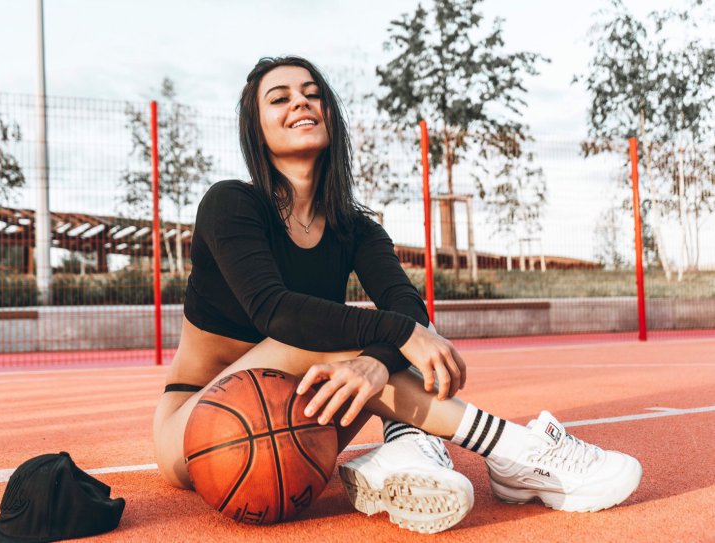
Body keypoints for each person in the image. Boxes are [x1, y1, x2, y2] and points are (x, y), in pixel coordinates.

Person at [153, 56, 642, 534]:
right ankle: (515, 450)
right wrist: (395, 336)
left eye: (312, 93)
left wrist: (379, 359)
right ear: (256, 129)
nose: (301, 102)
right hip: (201, 427)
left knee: (392, 335)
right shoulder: (231, 203)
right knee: (359, 332)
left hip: (298, 423)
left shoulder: (356, 229)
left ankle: (404, 450)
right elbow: (274, 310)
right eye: (279, 98)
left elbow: (407, 308)